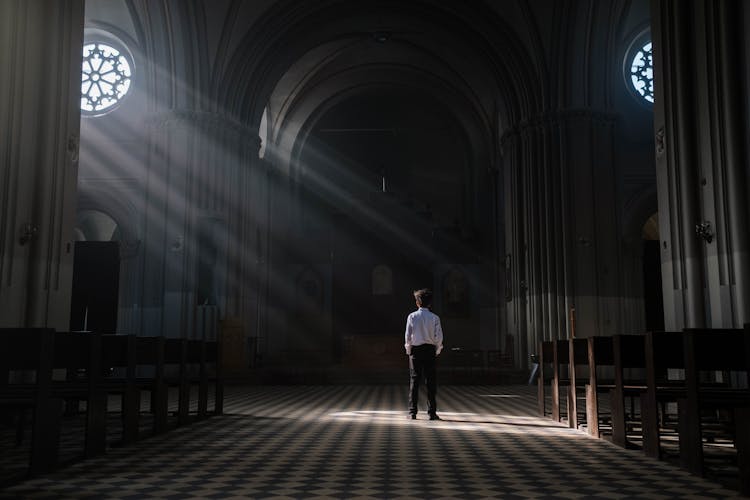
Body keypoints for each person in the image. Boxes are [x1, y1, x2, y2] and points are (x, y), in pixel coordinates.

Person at [404, 288, 444, 420]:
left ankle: (412, 412)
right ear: (430, 303)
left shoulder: (412, 316)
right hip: (429, 351)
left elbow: (408, 336)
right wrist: (437, 350)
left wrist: (409, 350)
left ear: (417, 303)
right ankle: (432, 413)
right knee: (431, 382)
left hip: (416, 351)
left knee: (414, 381)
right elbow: (439, 337)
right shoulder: (435, 318)